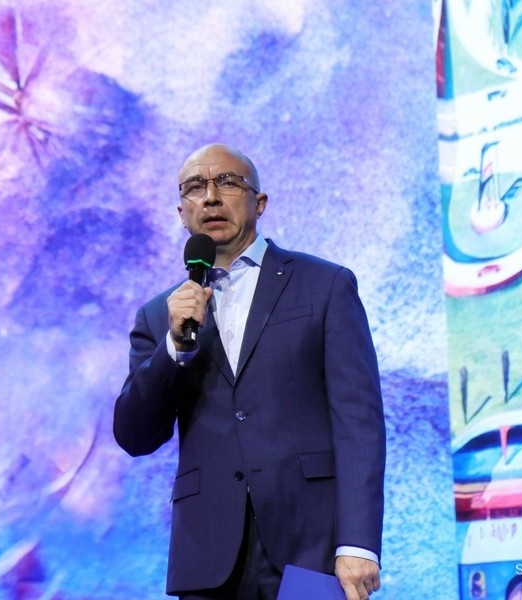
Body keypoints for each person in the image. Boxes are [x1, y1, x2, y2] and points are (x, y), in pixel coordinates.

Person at [114, 143, 386, 600]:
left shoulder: (325, 286)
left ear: (259, 203)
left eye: (227, 182)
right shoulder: (161, 315)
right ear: (181, 212)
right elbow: (134, 435)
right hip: (208, 559)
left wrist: (358, 542)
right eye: (195, 187)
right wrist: (174, 347)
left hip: (311, 549)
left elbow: (359, 422)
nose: (211, 197)